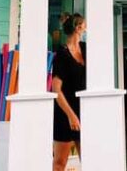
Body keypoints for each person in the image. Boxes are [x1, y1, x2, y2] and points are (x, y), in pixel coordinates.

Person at [52, 13, 86, 171]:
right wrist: (71, 115)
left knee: (88, 158)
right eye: (84, 25)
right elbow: (56, 89)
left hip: (83, 110)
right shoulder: (62, 54)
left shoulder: (86, 50)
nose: (86, 28)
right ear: (78, 27)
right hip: (65, 112)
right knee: (60, 161)